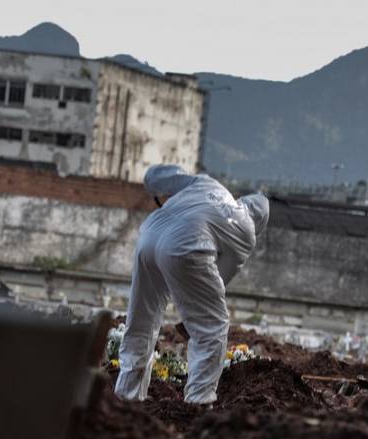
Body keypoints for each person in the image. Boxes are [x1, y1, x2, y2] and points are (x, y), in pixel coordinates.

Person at [115, 165, 269, 404]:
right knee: (213, 327)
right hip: (185, 245)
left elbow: (159, 176)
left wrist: (151, 182)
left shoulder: (209, 185)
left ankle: (126, 396)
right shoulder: (247, 232)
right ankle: (198, 403)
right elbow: (220, 278)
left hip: (149, 237)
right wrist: (190, 316)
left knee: (141, 321)